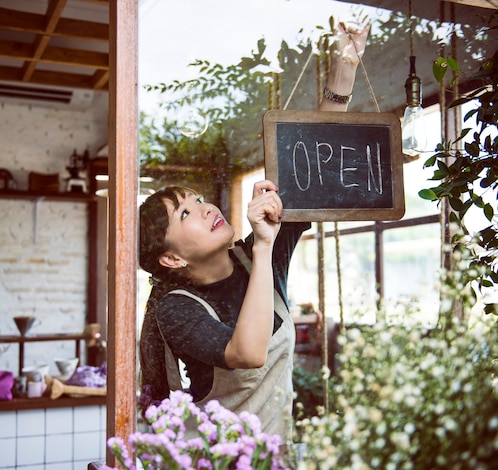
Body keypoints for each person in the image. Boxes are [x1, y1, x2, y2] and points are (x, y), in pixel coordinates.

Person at [138, 21, 369, 440]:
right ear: (171, 258)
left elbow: (309, 167)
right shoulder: (176, 307)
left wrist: (345, 67)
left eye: (199, 200)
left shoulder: (256, 253)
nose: (206, 208)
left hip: (274, 458)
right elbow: (246, 353)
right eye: (186, 214)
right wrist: (263, 247)